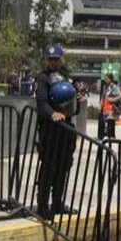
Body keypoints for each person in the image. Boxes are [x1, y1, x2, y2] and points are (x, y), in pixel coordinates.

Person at [34, 45, 86, 218]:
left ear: (62, 58)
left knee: (64, 167)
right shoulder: (42, 78)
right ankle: (42, 207)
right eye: (50, 59)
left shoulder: (67, 76)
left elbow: (74, 106)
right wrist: (52, 113)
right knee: (49, 167)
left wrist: (78, 101)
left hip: (66, 130)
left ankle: (57, 203)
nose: (53, 62)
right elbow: (41, 103)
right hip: (50, 131)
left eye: (56, 58)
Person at [98, 73, 121, 140]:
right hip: (105, 108)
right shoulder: (105, 87)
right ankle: (111, 136)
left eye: (107, 78)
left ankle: (111, 137)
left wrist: (112, 100)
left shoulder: (114, 87)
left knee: (111, 122)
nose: (106, 80)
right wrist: (100, 105)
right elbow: (103, 97)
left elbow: (120, 96)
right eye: (105, 78)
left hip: (112, 108)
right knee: (108, 122)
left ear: (111, 79)